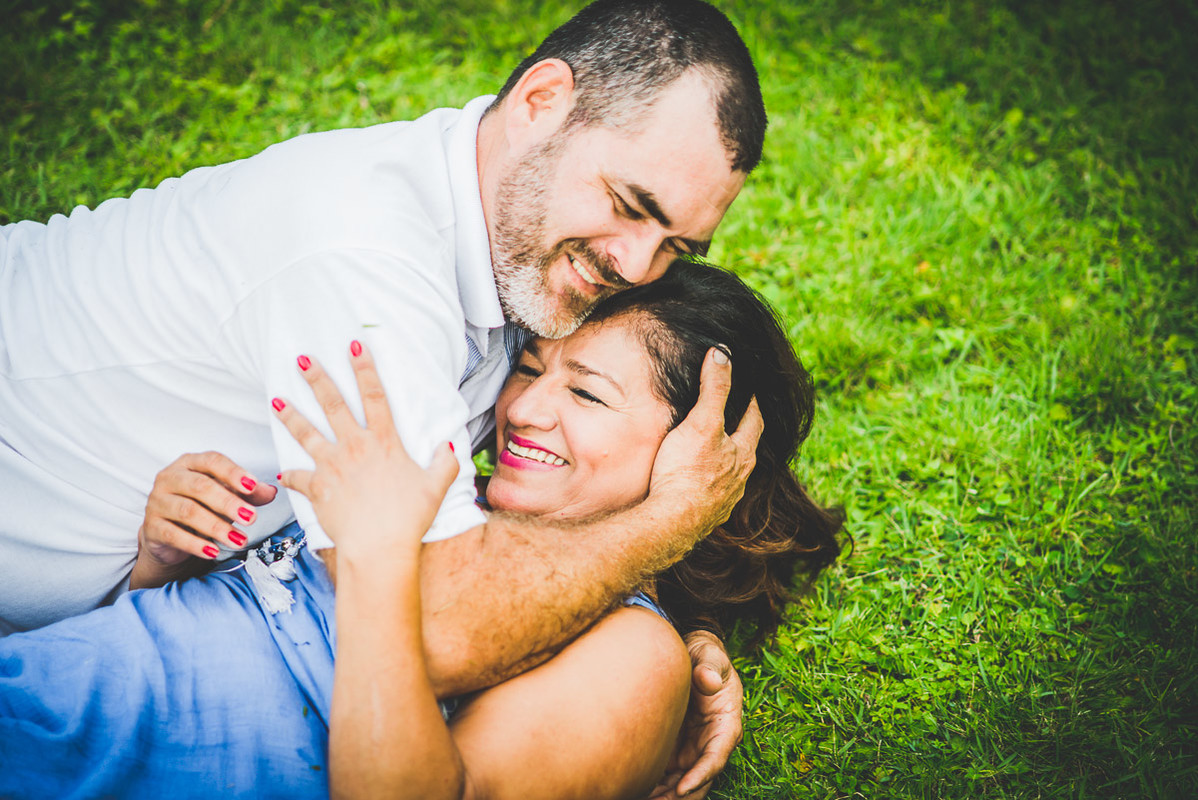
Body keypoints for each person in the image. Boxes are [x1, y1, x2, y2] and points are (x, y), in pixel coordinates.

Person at [1, 1, 766, 792]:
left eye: (675, 244)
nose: (637, 266)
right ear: (542, 101)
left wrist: (672, 638)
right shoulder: (363, 253)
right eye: (628, 205)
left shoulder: (523, 264)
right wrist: (668, 524)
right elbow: (438, 624)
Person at [0, 261, 844, 800]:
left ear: (702, 456)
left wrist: (371, 556)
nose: (522, 410)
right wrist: (161, 568)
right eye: (528, 367)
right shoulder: (450, 511)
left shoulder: (639, 658)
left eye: (586, 394)